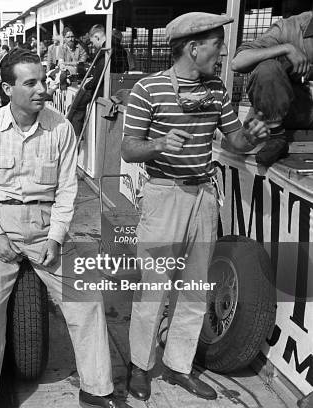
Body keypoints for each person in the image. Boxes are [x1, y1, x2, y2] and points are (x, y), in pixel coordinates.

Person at [0, 48, 131, 408]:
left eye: (43, 79)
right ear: (7, 89)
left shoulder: (61, 128)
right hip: (0, 228)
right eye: (31, 82)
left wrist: (56, 238)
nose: (42, 88)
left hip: (48, 228)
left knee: (87, 301)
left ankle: (96, 389)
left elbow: (68, 188)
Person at [121, 12, 269, 402]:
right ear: (194, 48)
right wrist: (157, 144)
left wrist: (250, 138)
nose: (223, 52)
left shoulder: (217, 89)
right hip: (163, 196)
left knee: (194, 288)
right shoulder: (147, 90)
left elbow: (234, 141)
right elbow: (128, 147)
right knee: (153, 289)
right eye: (218, 45)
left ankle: (179, 366)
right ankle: (140, 365)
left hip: (203, 195)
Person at [231, 10, 313, 166]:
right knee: (267, 68)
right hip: (287, 111)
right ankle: (276, 138)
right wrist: (286, 48)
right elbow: (238, 62)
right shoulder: (289, 27)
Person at [68, 24, 109, 136]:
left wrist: (87, 85)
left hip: (101, 88)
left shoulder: (104, 52)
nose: (93, 45)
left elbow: (98, 79)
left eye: (92, 42)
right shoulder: (117, 49)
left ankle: (74, 135)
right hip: (108, 84)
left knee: (77, 105)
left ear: (97, 37)